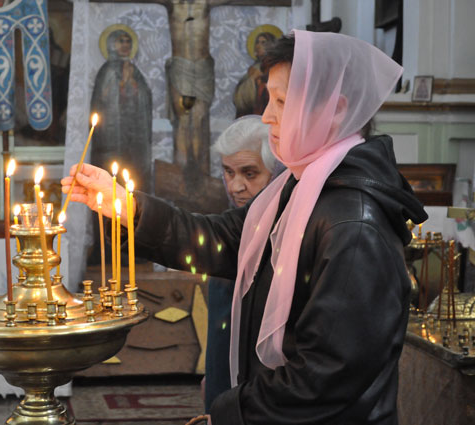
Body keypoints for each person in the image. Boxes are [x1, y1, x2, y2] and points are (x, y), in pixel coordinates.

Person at [62, 30, 427, 424]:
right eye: (269, 98)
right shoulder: (301, 186)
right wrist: (127, 207)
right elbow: (220, 240)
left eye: (282, 101)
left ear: (335, 110)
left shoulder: (354, 227)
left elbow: (326, 378)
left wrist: (228, 415)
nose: (267, 115)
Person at [204, 116, 280, 412]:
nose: (236, 186)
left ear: (275, 173)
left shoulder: (284, 235)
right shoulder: (232, 227)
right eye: (228, 172)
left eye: (250, 174)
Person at [90, 26, 152, 190]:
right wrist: (123, 83)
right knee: (111, 177)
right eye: (121, 41)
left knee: (133, 178)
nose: (125, 45)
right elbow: (103, 99)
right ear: (112, 44)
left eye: (128, 42)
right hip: (111, 136)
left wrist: (132, 83)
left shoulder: (134, 70)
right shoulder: (107, 70)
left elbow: (144, 98)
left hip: (133, 136)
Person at [233, 31, 277, 118]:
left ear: (272, 45)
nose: (258, 46)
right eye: (257, 42)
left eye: (263, 42)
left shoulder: (275, 67)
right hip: (249, 113)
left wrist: (261, 77)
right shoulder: (253, 68)